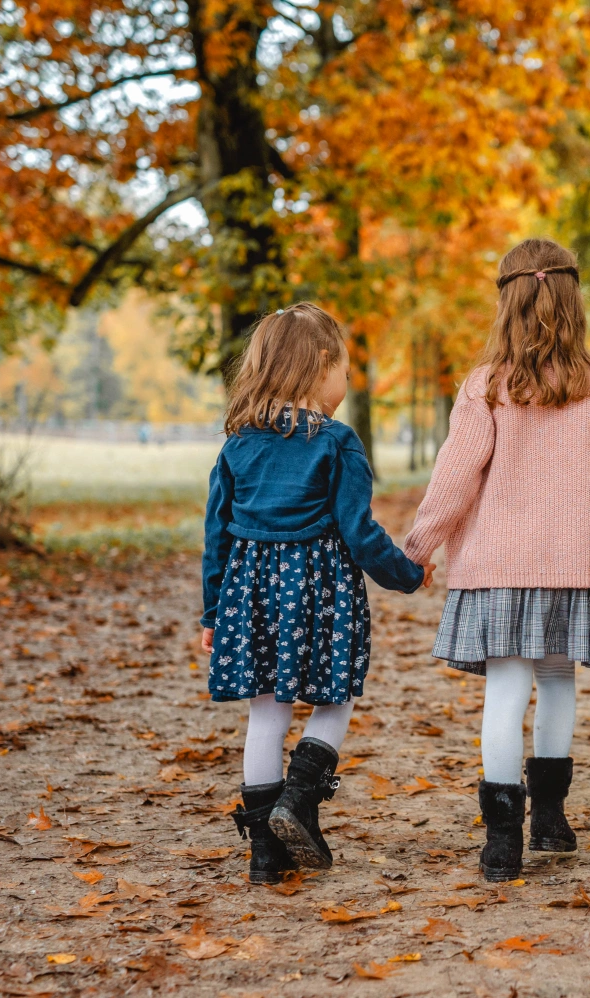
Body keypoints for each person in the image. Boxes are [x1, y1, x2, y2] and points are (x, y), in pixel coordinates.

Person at [402, 237, 590, 882]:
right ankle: (550, 820)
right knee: (556, 680)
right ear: (573, 302)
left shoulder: (484, 387)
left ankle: (502, 843)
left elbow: (454, 477)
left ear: (506, 305)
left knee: (506, 690)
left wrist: (418, 549)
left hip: (496, 565)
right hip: (572, 565)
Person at [199, 303, 430, 884]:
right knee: (335, 697)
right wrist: (406, 572)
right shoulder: (338, 443)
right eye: (346, 371)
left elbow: (216, 535)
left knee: (265, 715)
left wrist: (212, 611)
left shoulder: (237, 446)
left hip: (250, 593)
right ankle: (298, 803)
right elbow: (358, 530)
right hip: (320, 592)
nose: (348, 384)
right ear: (321, 364)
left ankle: (263, 855)